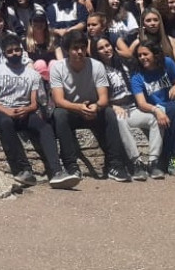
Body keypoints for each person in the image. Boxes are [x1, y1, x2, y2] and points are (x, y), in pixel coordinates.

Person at [0, 34, 78, 190]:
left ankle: (57, 171)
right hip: (0, 111)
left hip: (24, 111)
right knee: (6, 123)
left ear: (22, 51)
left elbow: (34, 103)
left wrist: (26, 109)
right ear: (4, 54)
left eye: (17, 50)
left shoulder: (33, 74)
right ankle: (24, 169)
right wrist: (6, 111)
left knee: (45, 127)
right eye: (10, 51)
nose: (14, 53)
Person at [48, 31, 130, 182]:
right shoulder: (57, 68)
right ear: (67, 50)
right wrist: (78, 107)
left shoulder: (97, 66)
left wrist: (95, 107)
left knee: (110, 114)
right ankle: (71, 167)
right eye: (75, 48)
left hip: (92, 109)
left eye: (82, 47)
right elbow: (59, 100)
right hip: (71, 110)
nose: (79, 51)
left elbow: (104, 98)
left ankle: (115, 165)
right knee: (59, 114)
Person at [92, 35, 158, 181]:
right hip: (115, 109)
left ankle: (154, 162)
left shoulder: (124, 63)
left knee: (154, 118)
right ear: (96, 52)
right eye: (101, 48)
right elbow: (96, 97)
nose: (106, 49)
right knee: (120, 120)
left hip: (133, 107)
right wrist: (112, 106)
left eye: (107, 46)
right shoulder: (96, 69)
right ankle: (136, 163)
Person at [130, 41, 175, 177]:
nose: (142, 57)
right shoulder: (137, 76)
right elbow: (141, 103)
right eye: (139, 55)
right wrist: (156, 111)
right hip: (158, 107)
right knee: (174, 109)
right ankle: (173, 159)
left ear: (155, 54)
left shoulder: (167, 62)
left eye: (146, 54)